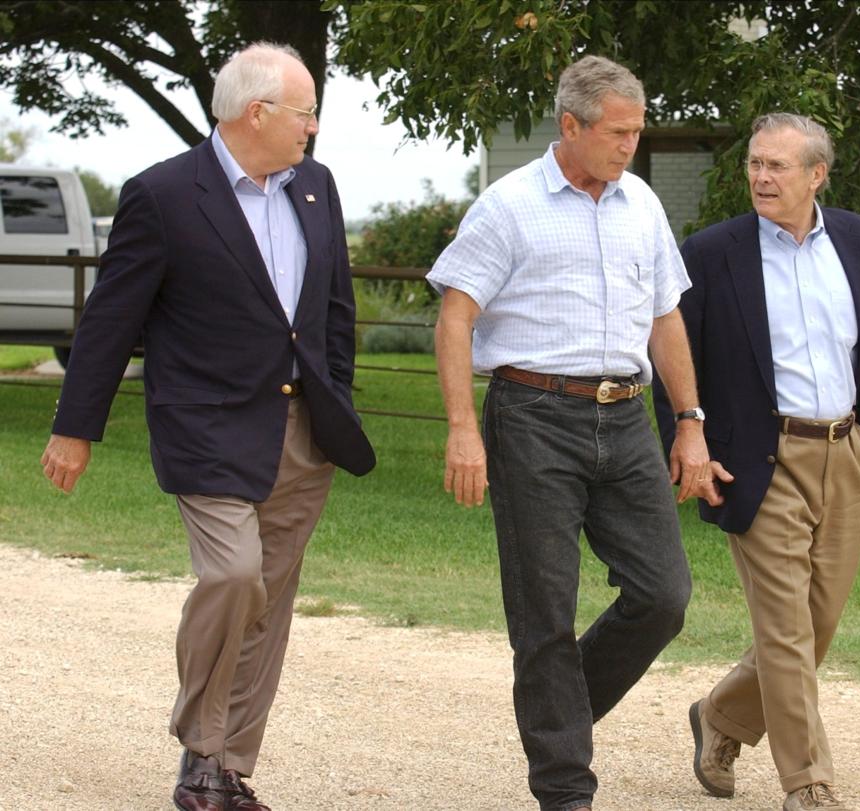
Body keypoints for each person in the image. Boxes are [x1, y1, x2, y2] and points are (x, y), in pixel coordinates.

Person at [39, 42, 375, 811]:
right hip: (207, 427)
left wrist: (340, 400)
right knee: (232, 578)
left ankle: (230, 767)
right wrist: (74, 425)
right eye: (305, 111)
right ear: (257, 113)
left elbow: (333, 311)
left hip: (303, 430)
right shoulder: (162, 195)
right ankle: (201, 746)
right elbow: (111, 319)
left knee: (271, 601)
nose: (314, 127)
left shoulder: (316, 187)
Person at [427, 55, 713, 811]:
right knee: (544, 608)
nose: (629, 146)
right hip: (532, 416)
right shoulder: (509, 205)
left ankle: (556, 715)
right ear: (571, 125)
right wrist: (463, 430)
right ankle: (565, 786)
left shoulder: (641, 204)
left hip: (627, 418)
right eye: (617, 133)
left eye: (636, 132)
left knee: (664, 595)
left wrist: (690, 424)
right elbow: (455, 317)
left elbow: (665, 316)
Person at [655, 113, 860, 811]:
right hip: (759, 458)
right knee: (785, 629)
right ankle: (808, 781)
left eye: (777, 166)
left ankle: (721, 715)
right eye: (755, 163)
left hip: (846, 453)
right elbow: (673, 354)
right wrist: (687, 441)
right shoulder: (711, 251)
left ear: (817, 174)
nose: (761, 177)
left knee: (815, 628)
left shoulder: (859, 238)